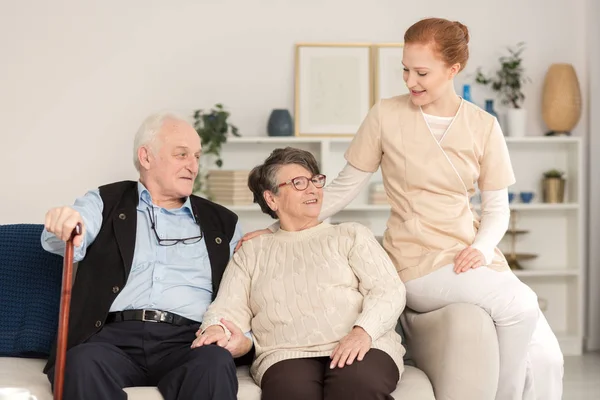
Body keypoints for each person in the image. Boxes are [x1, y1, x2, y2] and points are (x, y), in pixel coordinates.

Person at [238, 18, 564, 400]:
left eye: (421, 72)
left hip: (470, 258)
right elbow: (343, 187)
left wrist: (481, 248)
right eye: (405, 70)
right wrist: (280, 228)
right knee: (521, 301)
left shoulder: (484, 126)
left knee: (548, 360)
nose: (410, 81)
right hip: (416, 262)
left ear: (453, 69)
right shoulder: (386, 115)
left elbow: (496, 210)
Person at [41, 111, 251, 400]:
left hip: (189, 340)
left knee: (214, 363)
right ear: (146, 157)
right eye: (182, 155)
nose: (193, 166)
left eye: (197, 157)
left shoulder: (223, 222)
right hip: (110, 337)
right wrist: (65, 223)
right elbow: (70, 233)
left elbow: (244, 291)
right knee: (79, 364)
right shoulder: (105, 202)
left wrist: (245, 340)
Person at [192, 147, 406, 400]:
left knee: (356, 385)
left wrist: (363, 331)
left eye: (315, 180)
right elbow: (227, 308)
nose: (313, 189)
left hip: (362, 342)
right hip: (286, 353)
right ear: (272, 199)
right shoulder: (252, 251)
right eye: (299, 183)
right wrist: (217, 329)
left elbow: (388, 290)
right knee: (291, 393)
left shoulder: (350, 234)